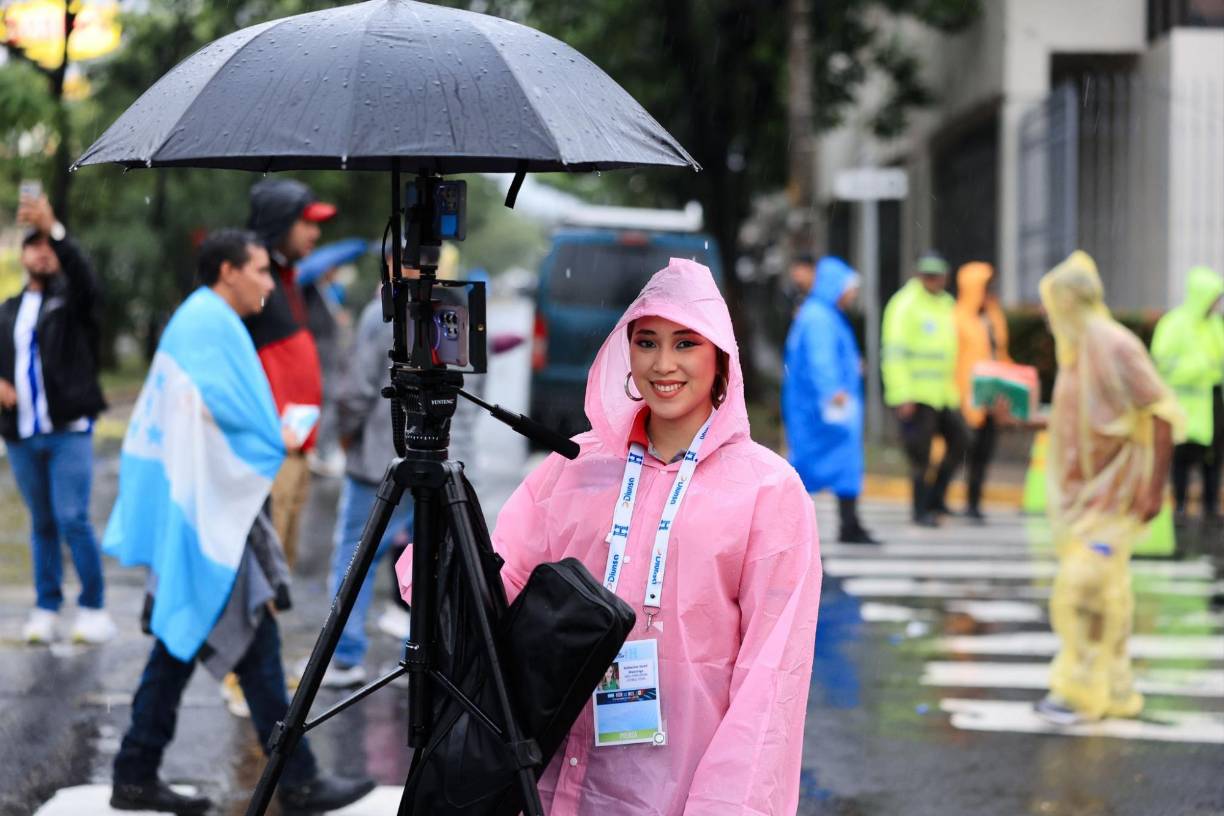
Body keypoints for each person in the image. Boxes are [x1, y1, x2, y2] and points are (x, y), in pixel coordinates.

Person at [400, 258, 822, 814]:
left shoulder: (768, 490)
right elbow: (498, 589)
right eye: (646, 342)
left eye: (685, 343)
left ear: (720, 357)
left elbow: (771, 677)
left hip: (682, 785)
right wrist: (436, 552)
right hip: (553, 777)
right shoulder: (576, 464)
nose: (663, 364)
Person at [104, 230, 374, 815]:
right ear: (227, 270)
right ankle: (293, 779)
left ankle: (138, 768)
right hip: (208, 512)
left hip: (207, 509)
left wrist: (259, 436)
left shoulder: (201, 320)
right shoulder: (208, 323)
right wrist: (270, 438)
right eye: (258, 270)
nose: (268, 283)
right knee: (225, 636)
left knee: (196, 638)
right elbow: (230, 418)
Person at [1032, 251, 1181, 725]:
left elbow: (1160, 411)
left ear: (1071, 301)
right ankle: (1114, 688)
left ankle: (1078, 693)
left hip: (1114, 494)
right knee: (1107, 591)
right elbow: (1076, 422)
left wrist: (1154, 489)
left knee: (1083, 593)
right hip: (1088, 495)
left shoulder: (1114, 345)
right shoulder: (1078, 350)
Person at [0, 192, 114, 644]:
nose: (42, 251)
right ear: (22, 253)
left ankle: (93, 607)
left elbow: (89, 283)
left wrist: (57, 230)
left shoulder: (72, 302)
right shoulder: (8, 310)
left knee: (73, 519)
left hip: (68, 431)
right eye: (35, 243)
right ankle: (46, 608)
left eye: (49, 244)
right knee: (42, 523)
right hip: (22, 435)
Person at [245, 178, 335, 567]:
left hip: (298, 446)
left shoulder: (287, 277)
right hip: (271, 449)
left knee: (281, 567)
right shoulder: (254, 282)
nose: (315, 233)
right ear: (281, 222)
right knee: (265, 567)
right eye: (306, 222)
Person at [783, 255, 878, 543]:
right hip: (823, 410)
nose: (852, 294)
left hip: (823, 408)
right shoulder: (820, 317)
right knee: (813, 467)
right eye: (850, 287)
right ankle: (798, 532)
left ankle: (847, 525)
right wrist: (834, 394)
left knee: (836, 465)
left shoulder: (823, 314)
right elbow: (820, 362)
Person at [882, 251, 967, 527]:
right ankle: (920, 510)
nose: (933, 280)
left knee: (962, 441)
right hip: (915, 394)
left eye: (938, 275)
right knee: (920, 455)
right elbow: (893, 353)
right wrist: (902, 394)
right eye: (928, 275)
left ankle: (935, 498)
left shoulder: (947, 305)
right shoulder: (904, 304)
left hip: (943, 394)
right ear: (919, 275)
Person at [1151, 265, 1224, 524]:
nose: (1216, 304)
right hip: (1184, 407)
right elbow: (1162, 364)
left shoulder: (1216, 325)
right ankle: (1179, 507)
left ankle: (1212, 507)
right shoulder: (1174, 324)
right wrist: (1201, 367)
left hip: (1212, 404)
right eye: (1214, 298)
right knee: (1182, 459)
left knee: (1213, 459)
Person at [953, 262, 1012, 523]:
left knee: (984, 451)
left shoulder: (994, 316)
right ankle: (938, 500)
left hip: (992, 394)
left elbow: (1000, 353)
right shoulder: (958, 318)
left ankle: (974, 502)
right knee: (960, 450)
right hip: (966, 394)